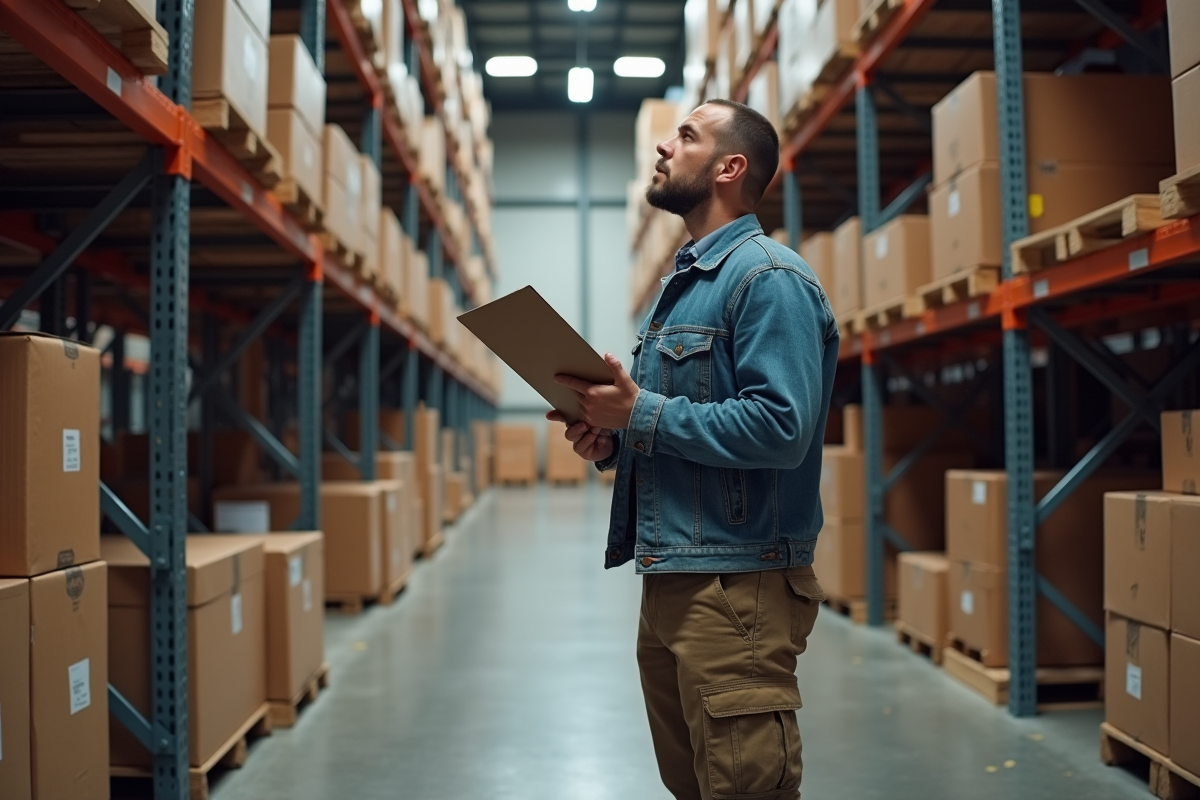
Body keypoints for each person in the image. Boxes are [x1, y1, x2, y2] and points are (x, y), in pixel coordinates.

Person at [547, 98, 839, 800]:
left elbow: (781, 429)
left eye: (685, 136)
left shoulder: (768, 280)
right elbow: (685, 424)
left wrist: (641, 412)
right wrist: (611, 441)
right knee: (695, 785)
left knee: (743, 786)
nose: (662, 147)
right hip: (675, 574)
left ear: (729, 168)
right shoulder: (684, 290)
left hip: (739, 586)